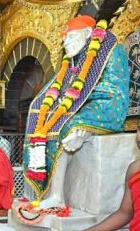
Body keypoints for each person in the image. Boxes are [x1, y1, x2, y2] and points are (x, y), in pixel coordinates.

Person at [23, 16, 129, 207]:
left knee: (70, 126)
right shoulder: (74, 59)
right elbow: (62, 87)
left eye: (70, 37)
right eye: (64, 39)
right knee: (39, 114)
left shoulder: (110, 50)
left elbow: (112, 87)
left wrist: (78, 105)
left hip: (108, 104)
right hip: (80, 105)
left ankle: (57, 197)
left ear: (88, 34)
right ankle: (41, 192)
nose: (66, 43)